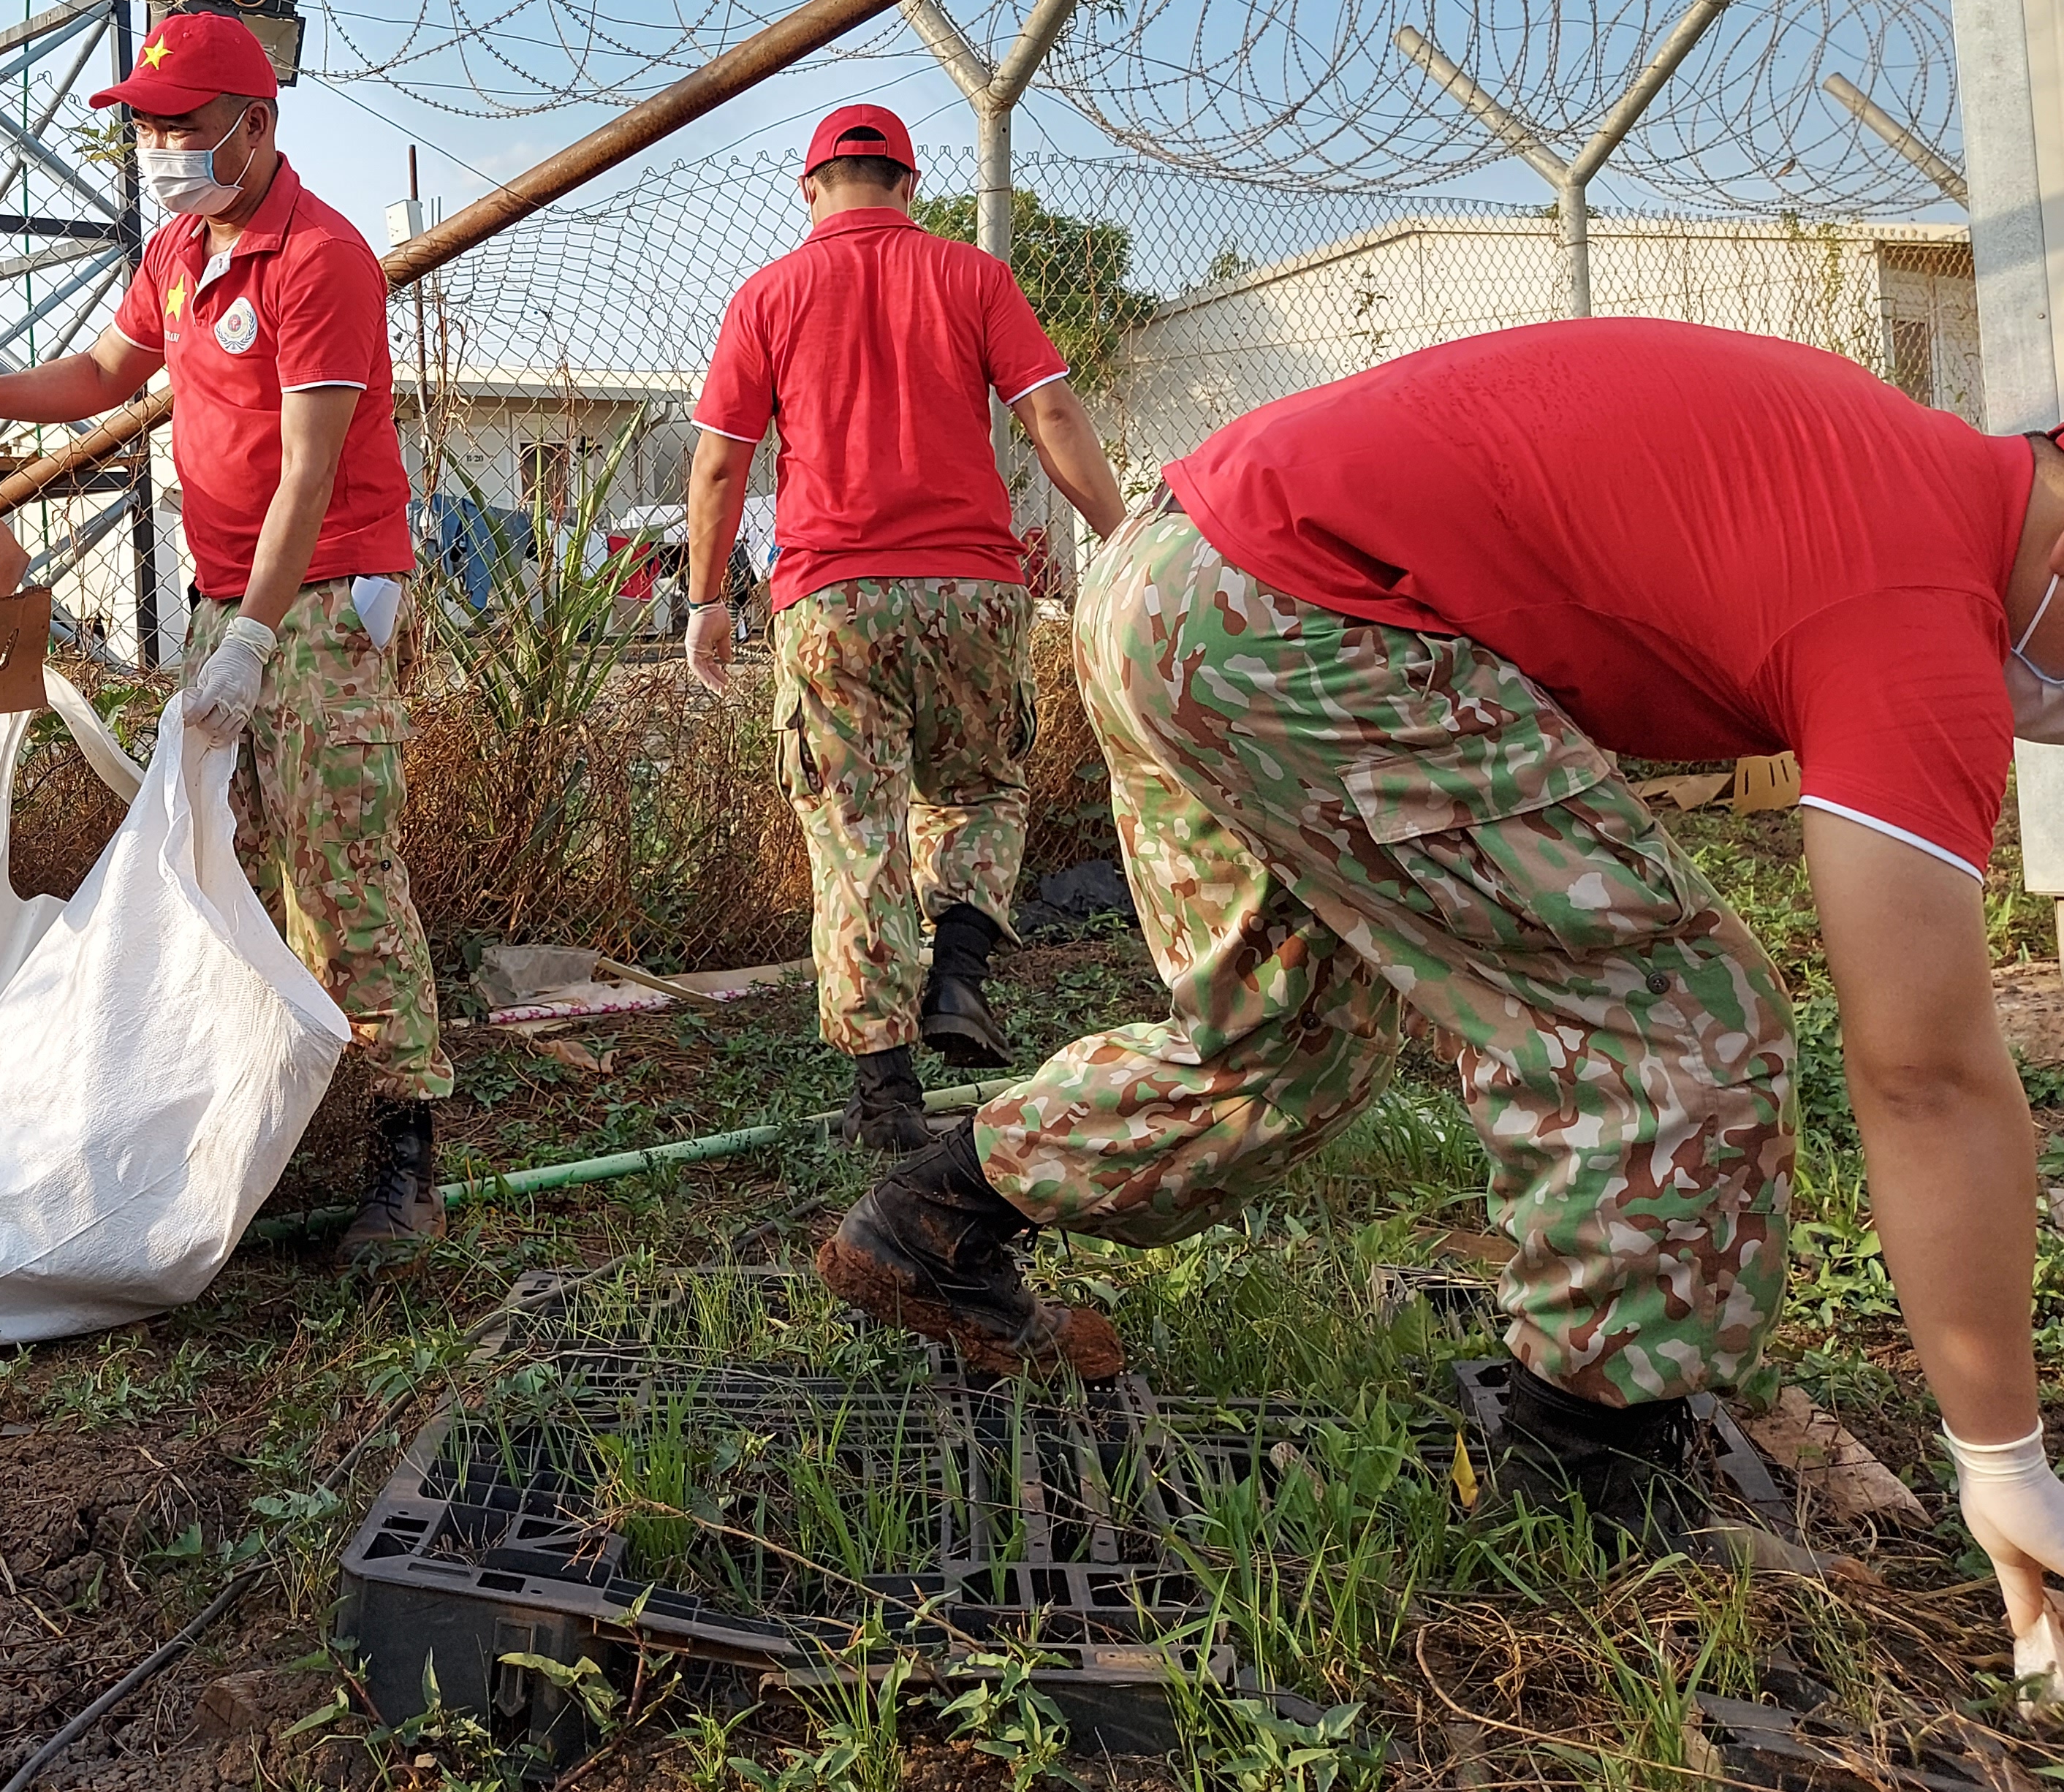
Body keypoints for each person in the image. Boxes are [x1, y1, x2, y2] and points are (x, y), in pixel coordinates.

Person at [816, 317, 2064, 1671]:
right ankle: (1581, 1477)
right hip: (1294, 603)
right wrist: (2001, 1455)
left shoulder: (1891, 463)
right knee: (1671, 1021)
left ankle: (930, 1215)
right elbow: (1924, 1074)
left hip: (1171, 577)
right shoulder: (1919, 601)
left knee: (1284, 1038)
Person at [0, 9, 447, 1265]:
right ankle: (275, 1109)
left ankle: (408, 1150)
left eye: (182, 127)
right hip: (228, 606)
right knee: (216, 865)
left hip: (321, 600)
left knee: (342, 868)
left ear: (256, 126)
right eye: (145, 129)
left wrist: (249, 639)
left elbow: (308, 473)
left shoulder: (321, 261)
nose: (160, 149)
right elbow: (100, 375)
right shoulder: (183, 251)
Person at [682, 106, 1126, 1150]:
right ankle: (961, 970)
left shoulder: (770, 294)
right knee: (978, 789)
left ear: (809, 190)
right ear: (909, 186)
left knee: (855, 842)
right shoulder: (972, 277)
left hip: (833, 603)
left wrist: (707, 603)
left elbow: (717, 463)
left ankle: (886, 1099)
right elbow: (1051, 415)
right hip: (972, 591)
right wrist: (1122, 538)